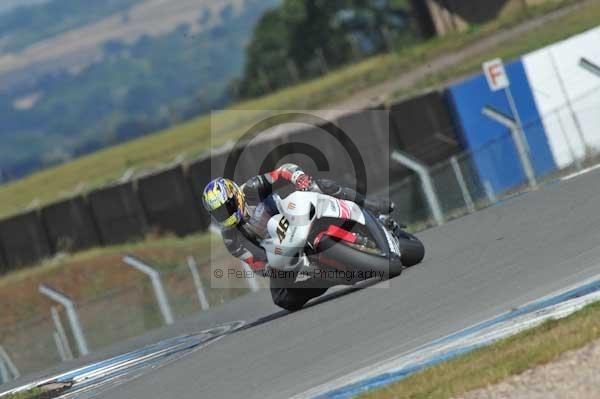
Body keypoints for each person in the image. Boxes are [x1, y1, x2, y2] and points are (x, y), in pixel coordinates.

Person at [202, 163, 393, 311]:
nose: (225, 215)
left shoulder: (252, 188)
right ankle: (330, 278)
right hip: (279, 250)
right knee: (281, 298)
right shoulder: (230, 238)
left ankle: (372, 207)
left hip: (295, 216)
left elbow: (282, 172)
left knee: (320, 186)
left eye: (227, 207)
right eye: (219, 213)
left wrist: (298, 177)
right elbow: (255, 263)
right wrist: (273, 267)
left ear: (236, 195)